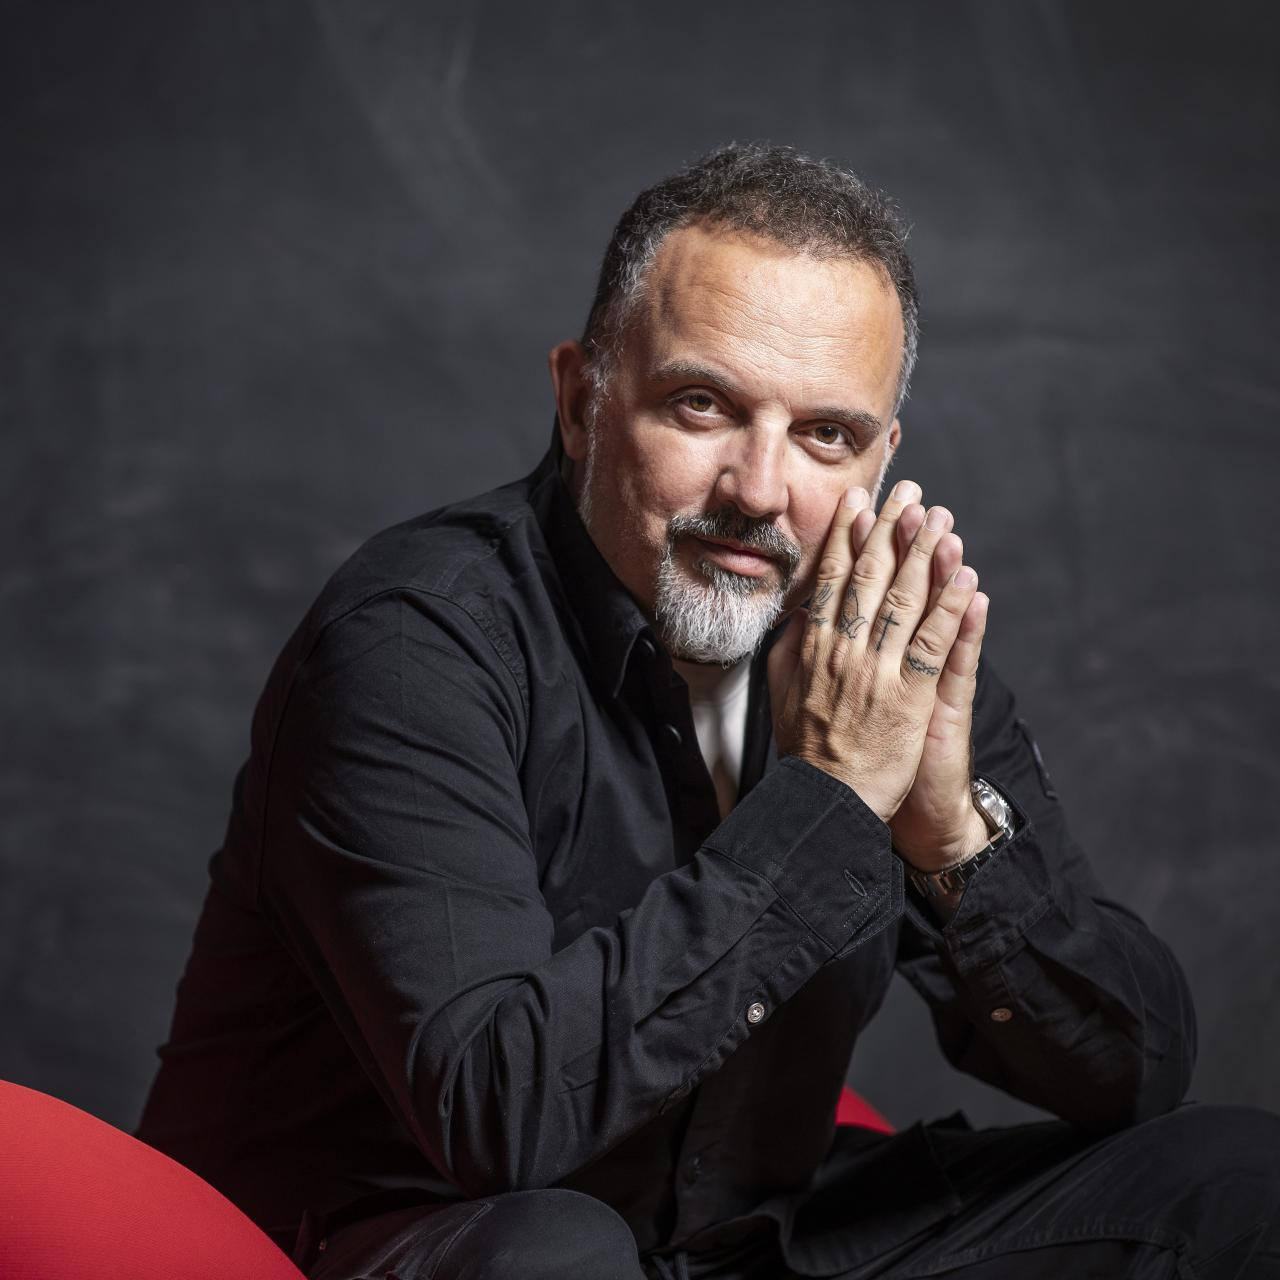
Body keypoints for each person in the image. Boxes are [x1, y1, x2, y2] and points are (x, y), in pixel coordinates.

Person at [136, 144, 1279, 1278]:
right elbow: (497, 1117)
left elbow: (1133, 1071)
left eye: (825, 434)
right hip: (408, 1234)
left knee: (1228, 1181)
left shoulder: (869, 650)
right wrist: (831, 795)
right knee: (554, 1251)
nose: (758, 490)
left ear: (879, 458)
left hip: (735, 1235)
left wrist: (948, 840)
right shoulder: (413, 640)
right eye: (701, 404)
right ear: (580, 402)